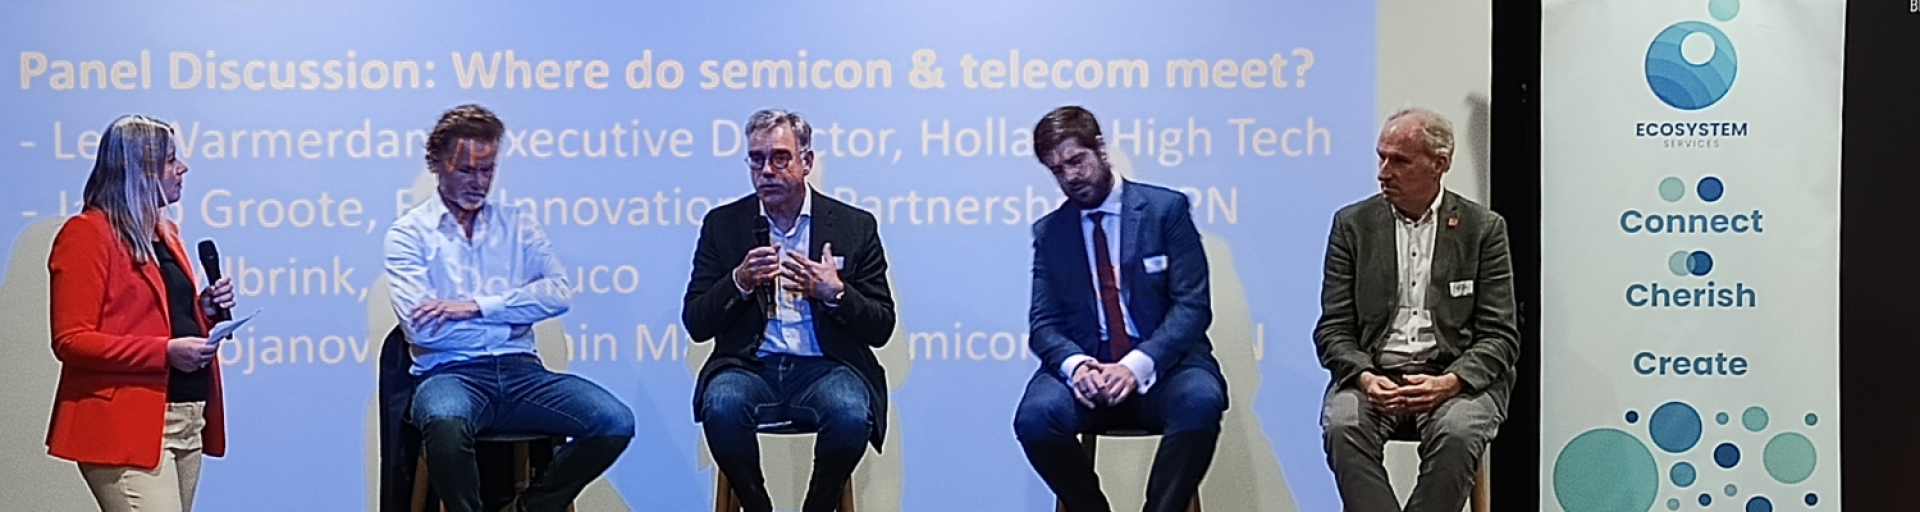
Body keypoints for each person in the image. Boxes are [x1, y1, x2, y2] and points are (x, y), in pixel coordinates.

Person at [385, 104, 634, 512]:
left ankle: (529, 508)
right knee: (445, 421)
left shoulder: (517, 225)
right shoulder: (408, 235)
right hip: (451, 373)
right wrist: (515, 315)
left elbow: (559, 293)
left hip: (521, 371)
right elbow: (424, 330)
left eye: (488, 170)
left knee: (614, 420)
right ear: (437, 164)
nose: (479, 182)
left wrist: (475, 308)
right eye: (467, 170)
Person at [1013, 106, 1227, 512]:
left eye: (1077, 160)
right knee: (1035, 419)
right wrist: (1077, 366)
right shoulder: (1050, 232)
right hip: (1089, 375)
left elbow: (1192, 307)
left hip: (1164, 369)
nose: (1070, 176)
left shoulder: (1165, 210)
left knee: (1200, 401)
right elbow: (1043, 325)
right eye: (1057, 170)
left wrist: (1134, 366)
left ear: (1101, 149)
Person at [683, 108, 896, 512]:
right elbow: (696, 322)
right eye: (756, 159)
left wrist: (835, 293)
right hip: (749, 367)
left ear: (806, 161)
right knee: (721, 406)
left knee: (851, 414)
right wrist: (739, 281)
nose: (766, 171)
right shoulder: (723, 224)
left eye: (780, 158)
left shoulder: (854, 226)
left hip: (827, 367)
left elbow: (882, 326)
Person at [1314, 107, 1518, 512]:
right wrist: (1366, 377)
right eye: (1381, 157)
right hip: (1375, 376)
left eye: (1399, 161)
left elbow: (1500, 336)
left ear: (1439, 164)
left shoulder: (1483, 229)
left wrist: (1451, 382)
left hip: (1453, 379)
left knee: (1459, 432)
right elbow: (1333, 329)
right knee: (1342, 425)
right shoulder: (1353, 225)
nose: (1383, 172)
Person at [47, 114, 237, 512]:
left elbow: (154, 317)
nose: (182, 169)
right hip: (127, 425)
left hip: (186, 418)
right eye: (170, 161)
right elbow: (71, 340)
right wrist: (164, 352)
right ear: (139, 170)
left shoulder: (166, 233)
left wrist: (203, 311)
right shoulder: (87, 234)